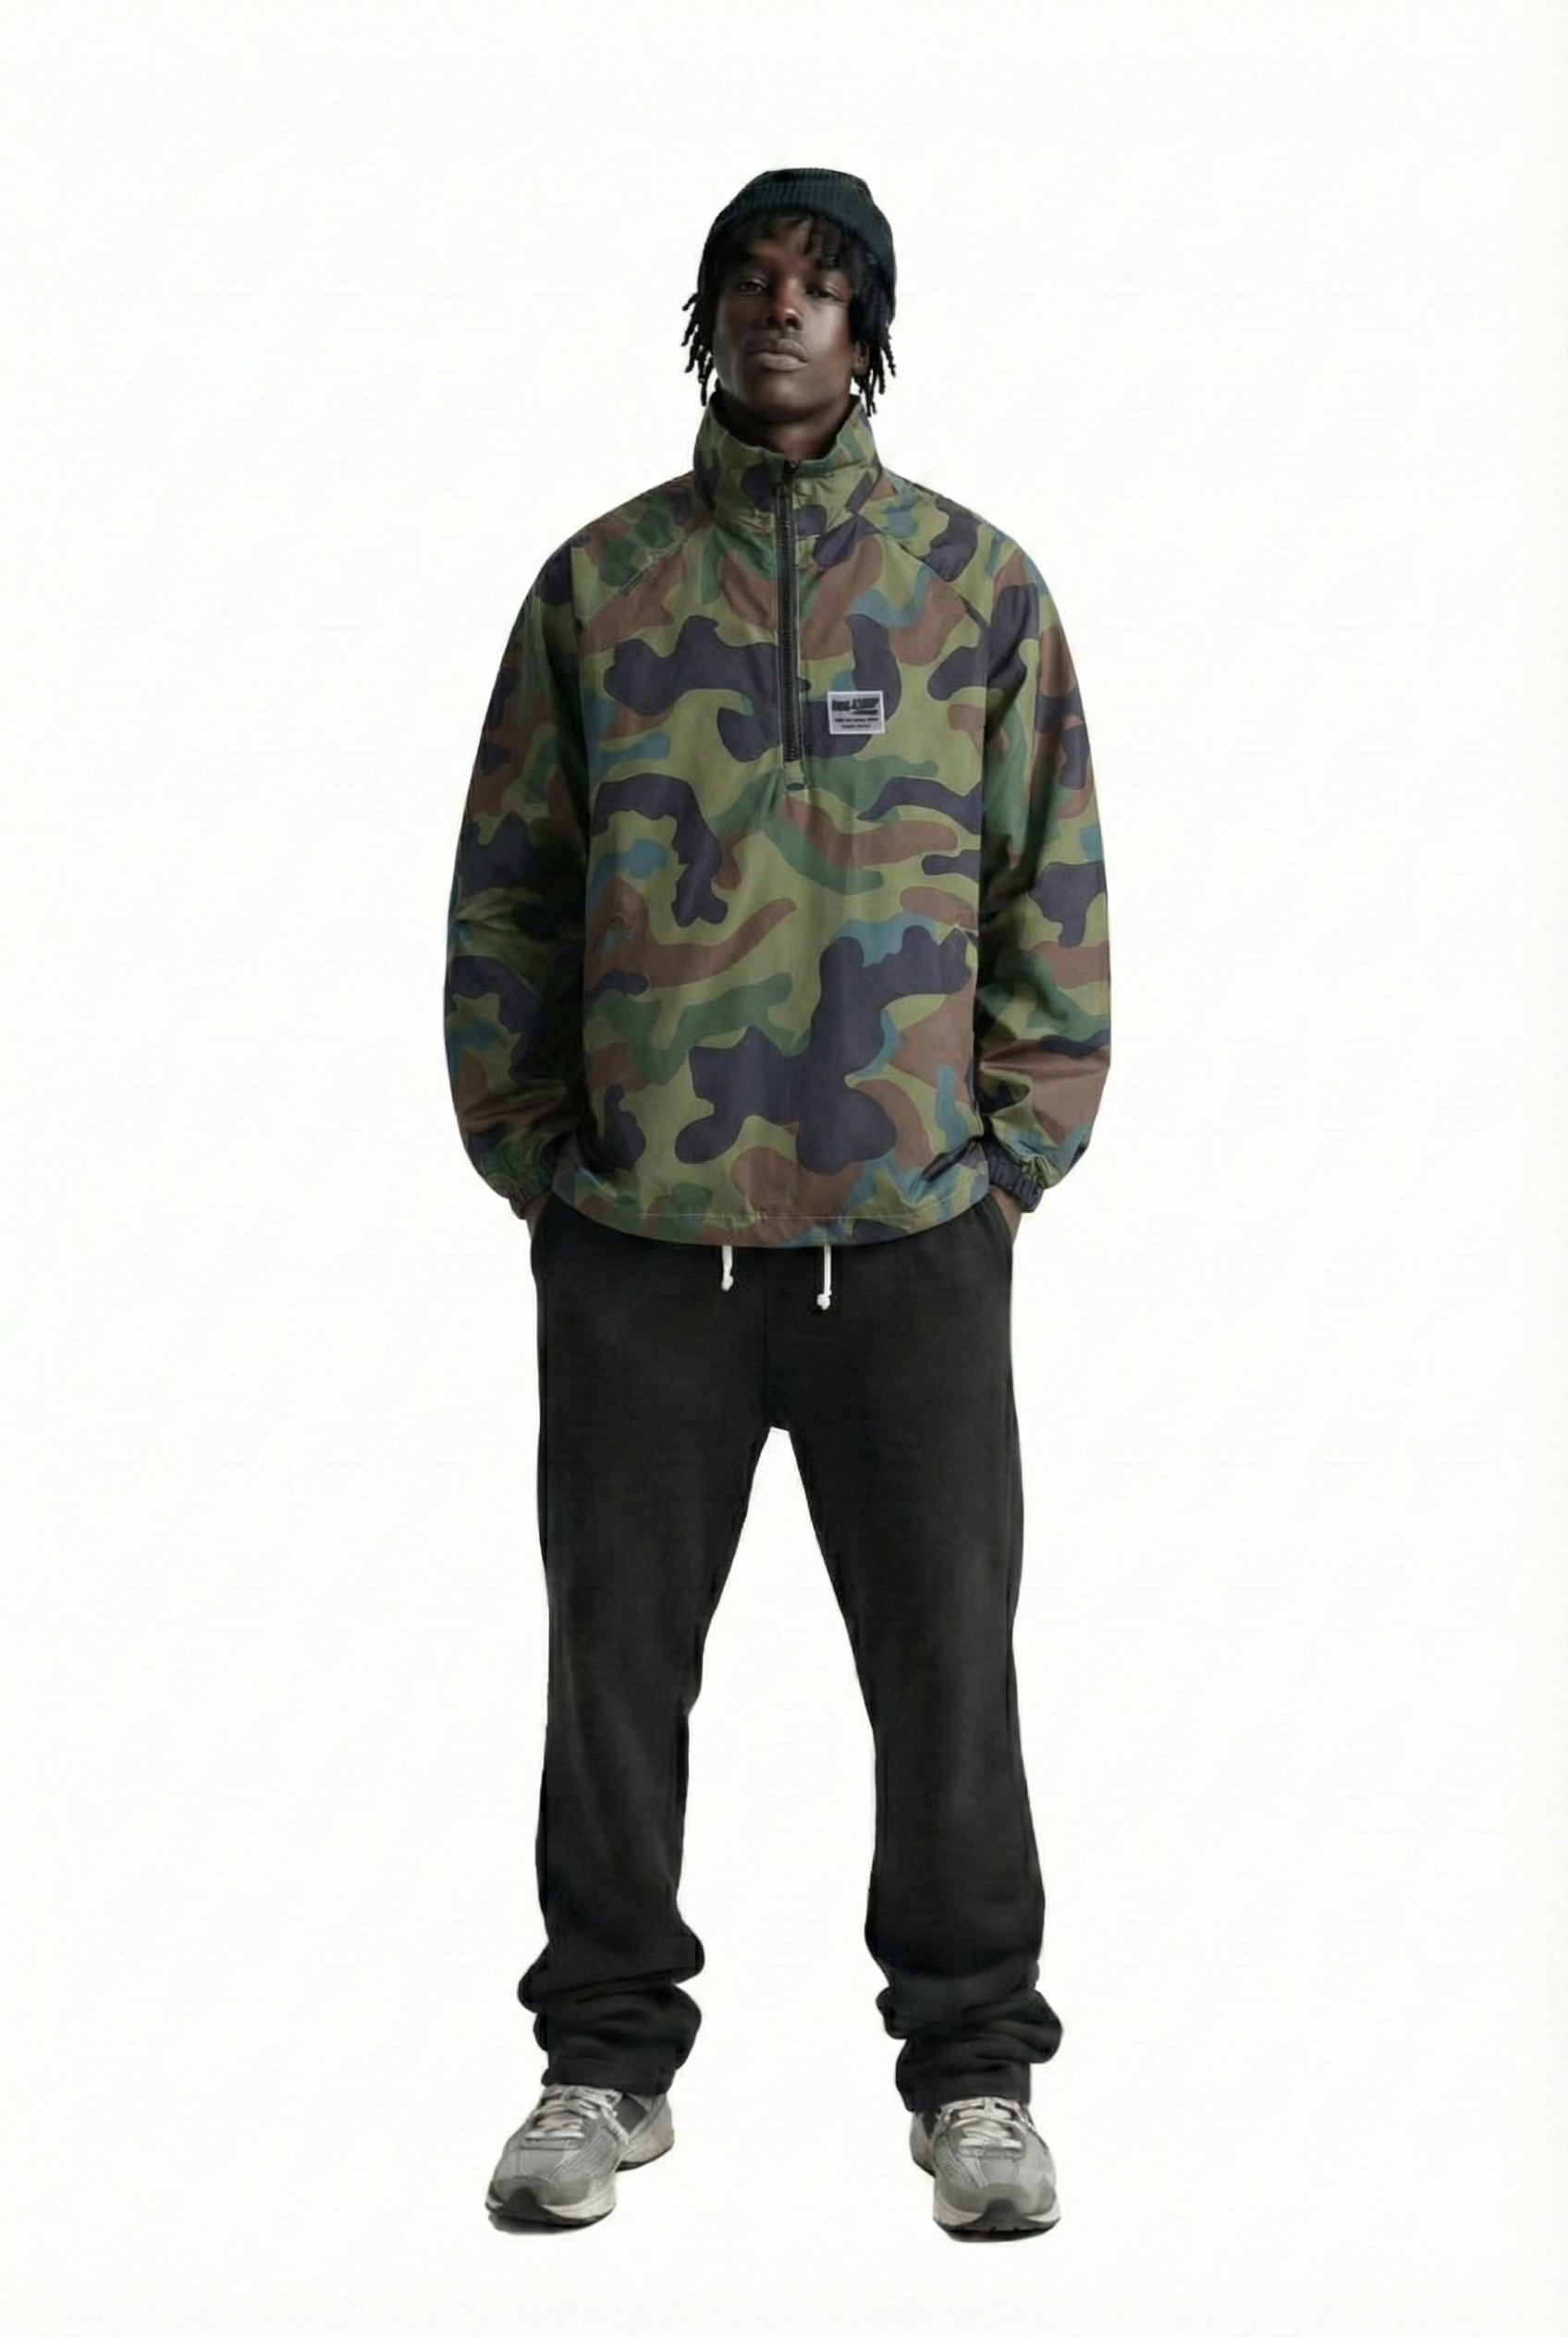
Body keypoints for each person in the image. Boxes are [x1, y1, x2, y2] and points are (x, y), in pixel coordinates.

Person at [444, 166, 1110, 2238]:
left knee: (948, 1665)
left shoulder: (974, 588)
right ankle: (600, 2063)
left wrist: (1008, 1163)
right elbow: (509, 893)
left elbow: (1050, 885)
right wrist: (541, 1167)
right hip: (645, 1248)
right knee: (614, 1670)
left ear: (869, 325)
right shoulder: (601, 588)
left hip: (909, 1242)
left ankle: (975, 2073)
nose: (781, 313)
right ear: (707, 315)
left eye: (820, 287)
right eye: (749, 282)